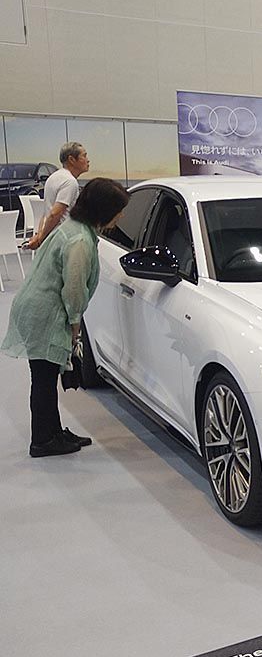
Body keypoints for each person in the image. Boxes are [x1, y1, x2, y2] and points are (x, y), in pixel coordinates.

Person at [3, 178, 129, 457]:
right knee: (44, 380)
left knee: (45, 378)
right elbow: (73, 289)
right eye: (118, 210)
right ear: (104, 210)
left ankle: (53, 432)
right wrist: (75, 325)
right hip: (45, 313)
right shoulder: (80, 241)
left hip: (37, 307)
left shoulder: (74, 228)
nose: (121, 216)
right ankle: (42, 441)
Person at [27, 142, 90, 251]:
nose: (88, 160)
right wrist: (40, 239)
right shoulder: (70, 182)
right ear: (71, 159)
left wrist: (40, 236)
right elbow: (55, 213)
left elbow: (46, 213)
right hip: (63, 241)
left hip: (54, 239)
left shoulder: (53, 177)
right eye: (84, 156)